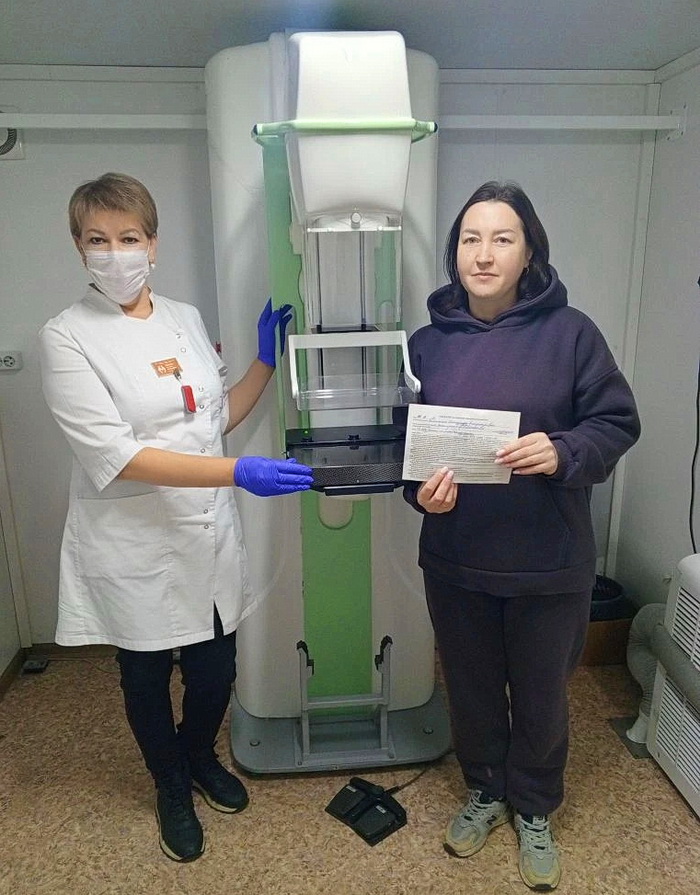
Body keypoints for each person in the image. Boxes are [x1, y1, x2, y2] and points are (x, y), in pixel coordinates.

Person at [38, 172, 313, 863]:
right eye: (98, 239)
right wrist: (238, 472)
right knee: (145, 676)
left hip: (206, 535)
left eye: (128, 237)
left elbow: (213, 417)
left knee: (216, 670)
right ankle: (169, 784)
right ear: (79, 247)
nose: (115, 253)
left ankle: (198, 756)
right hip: (133, 542)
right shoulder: (66, 337)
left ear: (153, 244)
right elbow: (120, 456)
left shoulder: (184, 318)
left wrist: (264, 363)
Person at [401, 181, 640, 891]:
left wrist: (562, 451)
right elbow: (407, 449)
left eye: (502, 239)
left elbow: (616, 423)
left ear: (529, 251)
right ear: (454, 253)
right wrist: (421, 495)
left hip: (548, 562)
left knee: (541, 695)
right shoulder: (426, 345)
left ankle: (534, 806)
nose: (484, 254)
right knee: (471, 687)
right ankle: (485, 789)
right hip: (457, 559)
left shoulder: (572, 334)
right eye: (470, 239)